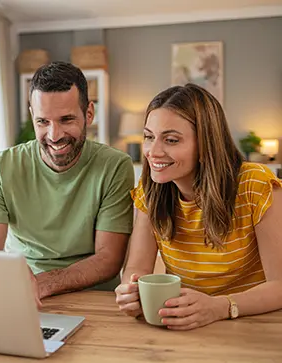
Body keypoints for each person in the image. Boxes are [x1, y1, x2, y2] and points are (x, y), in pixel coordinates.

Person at [115, 83, 282, 330]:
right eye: (149, 137)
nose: (153, 152)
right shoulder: (150, 191)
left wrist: (220, 307)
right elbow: (137, 270)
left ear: (206, 144)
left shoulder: (255, 185)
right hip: (187, 323)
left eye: (171, 140)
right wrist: (131, 292)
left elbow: (279, 285)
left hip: (252, 323)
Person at [0, 61, 134, 305]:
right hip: (23, 296)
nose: (54, 135)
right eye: (43, 122)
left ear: (89, 113)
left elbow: (108, 259)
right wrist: (19, 282)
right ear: (32, 116)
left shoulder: (115, 166)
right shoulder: (1, 167)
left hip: (93, 298)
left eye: (66, 120)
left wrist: (42, 284)